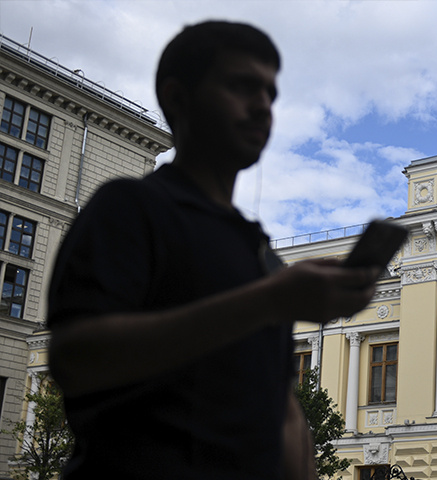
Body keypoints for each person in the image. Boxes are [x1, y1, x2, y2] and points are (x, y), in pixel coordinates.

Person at [46, 21, 379, 479]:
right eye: (242, 87)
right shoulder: (128, 208)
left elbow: (280, 407)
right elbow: (77, 358)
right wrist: (269, 301)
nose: (263, 107)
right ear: (178, 98)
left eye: (270, 93)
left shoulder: (258, 250)